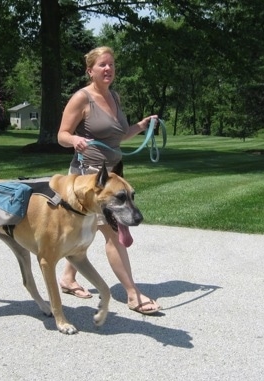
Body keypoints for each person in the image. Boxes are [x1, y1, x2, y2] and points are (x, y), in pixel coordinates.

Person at [57, 46, 162, 315]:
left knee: (88, 230)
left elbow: (117, 136)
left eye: (111, 65)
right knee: (114, 233)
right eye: (102, 65)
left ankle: (68, 278)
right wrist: (75, 139)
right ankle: (132, 294)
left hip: (113, 175)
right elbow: (62, 135)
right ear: (90, 70)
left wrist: (141, 126)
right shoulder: (82, 98)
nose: (108, 69)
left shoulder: (114, 96)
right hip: (89, 180)